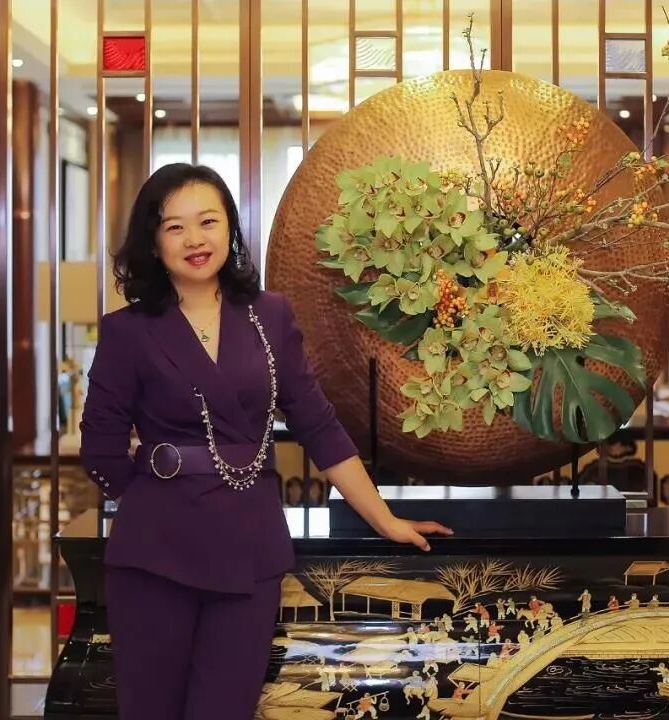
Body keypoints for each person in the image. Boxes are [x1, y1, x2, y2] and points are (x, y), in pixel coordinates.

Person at [80, 163, 453, 720]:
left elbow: (319, 426)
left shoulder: (269, 316)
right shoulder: (127, 331)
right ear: (153, 244)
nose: (194, 239)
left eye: (208, 221)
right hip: (154, 555)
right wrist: (150, 501)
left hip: (250, 547)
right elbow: (100, 447)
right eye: (175, 227)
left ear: (230, 227)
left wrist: (385, 520)